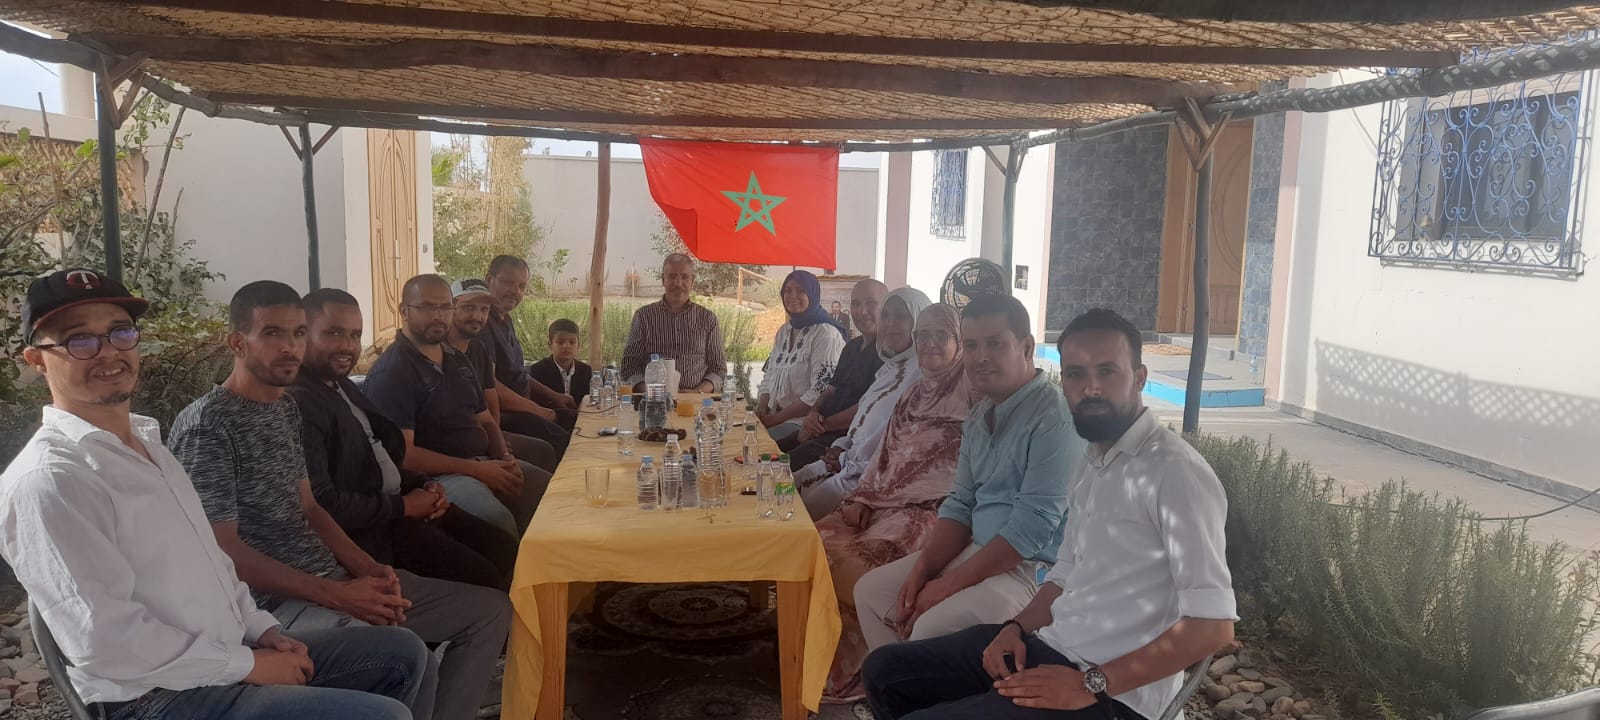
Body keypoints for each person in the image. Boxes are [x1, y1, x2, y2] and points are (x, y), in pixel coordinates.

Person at [1, 269, 434, 720]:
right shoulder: (51, 480)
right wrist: (249, 665)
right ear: (37, 359)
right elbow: (106, 642)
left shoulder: (148, 448)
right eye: (79, 340)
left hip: (219, 652)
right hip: (156, 695)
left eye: (120, 332)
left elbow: (214, 563)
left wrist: (264, 632)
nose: (108, 352)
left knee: (402, 654)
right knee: (383, 715)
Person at [860, 308, 1237, 720]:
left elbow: (1213, 626)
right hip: (1054, 649)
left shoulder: (1175, 473)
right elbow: (1062, 575)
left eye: (1107, 371)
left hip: (1116, 695)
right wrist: (1015, 628)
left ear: (1140, 377)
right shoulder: (1093, 462)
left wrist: (1091, 683)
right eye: (1075, 374)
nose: (1090, 388)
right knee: (885, 672)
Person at [167, 280, 512, 720]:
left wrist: (370, 571)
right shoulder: (208, 426)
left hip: (333, 575)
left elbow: (310, 507)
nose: (290, 347)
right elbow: (222, 551)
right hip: (270, 607)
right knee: (407, 656)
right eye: (272, 333)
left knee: (489, 612)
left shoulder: (283, 408)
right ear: (238, 342)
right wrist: (338, 595)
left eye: (297, 333)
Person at [853, 293, 1086, 653]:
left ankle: (921, 684)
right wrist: (923, 570)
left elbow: (1031, 530)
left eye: (995, 344)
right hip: (977, 549)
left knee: (929, 626)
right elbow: (960, 504)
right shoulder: (980, 415)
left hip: (1034, 569)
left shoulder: (1054, 417)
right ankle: (897, 686)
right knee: (871, 593)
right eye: (973, 345)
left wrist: (944, 587)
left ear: (1026, 347)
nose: (980, 357)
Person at [291, 288, 518, 590]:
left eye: (355, 335)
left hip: (408, 498)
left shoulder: (343, 387)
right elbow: (323, 502)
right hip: (377, 528)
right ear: (302, 333)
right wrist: (404, 506)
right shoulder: (301, 404)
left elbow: (380, 455)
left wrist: (423, 485)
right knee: (485, 577)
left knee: (507, 550)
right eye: (333, 333)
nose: (347, 346)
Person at [817, 302, 978, 703]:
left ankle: (862, 668)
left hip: (935, 510)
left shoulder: (973, 394)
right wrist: (862, 496)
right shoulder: (913, 392)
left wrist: (889, 498)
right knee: (815, 542)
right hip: (882, 497)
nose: (929, 343)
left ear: (959, 342)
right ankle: (813, 655)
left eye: (940, 335)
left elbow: (958, 470)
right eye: (923, 335)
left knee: (860, 561)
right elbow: (884, 453)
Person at [362, 274, 549, 540]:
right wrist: (478, 471)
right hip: (438, 478)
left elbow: (485, 419)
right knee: (498, 522)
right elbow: (404, 455)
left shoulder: (458, 359)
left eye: (444, 307)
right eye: (427, 307)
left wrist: (505, 459)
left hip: (484, 461)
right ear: (404, 311)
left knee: (552, 493)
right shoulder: (394, 372)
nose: (438, 316)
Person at [795, 287, 931, 520]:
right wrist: (840, 446)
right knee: (780, 486)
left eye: (901, 316)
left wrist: (838, 448)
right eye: (886, 316)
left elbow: (900, 447)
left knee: (794, 514)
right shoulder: (889, 369)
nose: (890, 323)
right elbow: (863, 421)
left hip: (867, 478)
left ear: (920, 322)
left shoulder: (924, 375)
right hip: (845, 460)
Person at [448, 278, 558, 472]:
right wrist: (491, 446)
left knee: (544, 448)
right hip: (459, 449)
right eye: (468, 307)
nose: (477, 316)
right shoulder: (438, 354)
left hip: (484, 434)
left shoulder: (478, 349)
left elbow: (491, 404)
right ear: (451, 308)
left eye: (484, 310)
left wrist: (496, 439)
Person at [478, 255, 578, 453]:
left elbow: (518, 373)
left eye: (521, 286)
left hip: (525, 408)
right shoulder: (482, 323)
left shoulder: (505, 320)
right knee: (570, 444)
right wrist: (540, 411)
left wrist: (554, 396)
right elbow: (490, 385)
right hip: (506, 416)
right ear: (489, 279)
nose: (515, 291)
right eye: (508, 283)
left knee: (582, 422)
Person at [782, 278, 887, 467]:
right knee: (762, 452)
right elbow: (830, 389)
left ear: (886, 307)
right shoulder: (851, 347)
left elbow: (868, 408)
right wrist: (813, 412)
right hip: (818, 428)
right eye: (856, 304)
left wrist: (821, 426)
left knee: (776, 470)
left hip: (842, 441)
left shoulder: (888, 354)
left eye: (871, 303)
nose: (862, 311)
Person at [756, 270, 849, 445]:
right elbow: (770, 375)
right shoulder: (784, 331)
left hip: (802, 425)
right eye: (788, 290)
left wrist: (775, 420)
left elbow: (820, 391)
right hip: (774, 417)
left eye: (801, 290)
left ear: (812, 294)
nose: (793, 296)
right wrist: (762, 408)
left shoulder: (825, 333)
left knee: (755, 447)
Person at [620, 253, 727, 392]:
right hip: (653, 399)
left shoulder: (708, 319)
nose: (678, 283)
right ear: (663, 280)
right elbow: (629, 366)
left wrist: (697, 392)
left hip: (695, 400)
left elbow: (718, 370)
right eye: (672, 276)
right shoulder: (644, 317)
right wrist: (651, 391)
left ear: (692, 281)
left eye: (684, 277)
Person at [529, 319, 593, 406]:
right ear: (550, 345)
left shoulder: (586, 371)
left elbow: (589, 401)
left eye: (572, 342)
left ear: (578, 346)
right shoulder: (538, 370)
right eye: (560, 342)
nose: (566, 346)